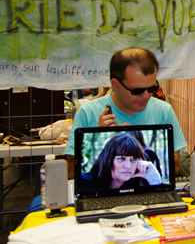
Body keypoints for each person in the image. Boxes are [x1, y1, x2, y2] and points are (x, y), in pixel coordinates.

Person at [65, 47, 187, 179]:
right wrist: (98, 138)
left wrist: (132, 139)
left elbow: (173, 168)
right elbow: (72, 173)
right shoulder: (88, 113)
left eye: (152, 88)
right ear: (115, 85)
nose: (146, 96)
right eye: (137, 90)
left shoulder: (164, 111)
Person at [80, 134, 161, 191]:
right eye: (121, 158)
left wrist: (155, 183)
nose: (128, 166)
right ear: (108, 160)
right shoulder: (86, 184)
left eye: (133, 160)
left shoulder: (140, 184)